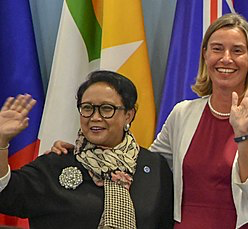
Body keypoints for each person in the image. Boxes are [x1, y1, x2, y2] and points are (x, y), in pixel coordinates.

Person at [49, 13, 248, 228]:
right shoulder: (182, 114)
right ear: (205, 55)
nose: (226, 59)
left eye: (237, 50)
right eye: (217, 49)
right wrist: (81, 154)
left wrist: (242, 133)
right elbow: (143, 166)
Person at [0, 71, 173, 228]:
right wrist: (1, 141)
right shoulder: (56, 162)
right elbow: (6, 193)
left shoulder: (154, 166)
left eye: (107, 109)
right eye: (87, 108)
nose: (95, 117)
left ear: (128, 114)